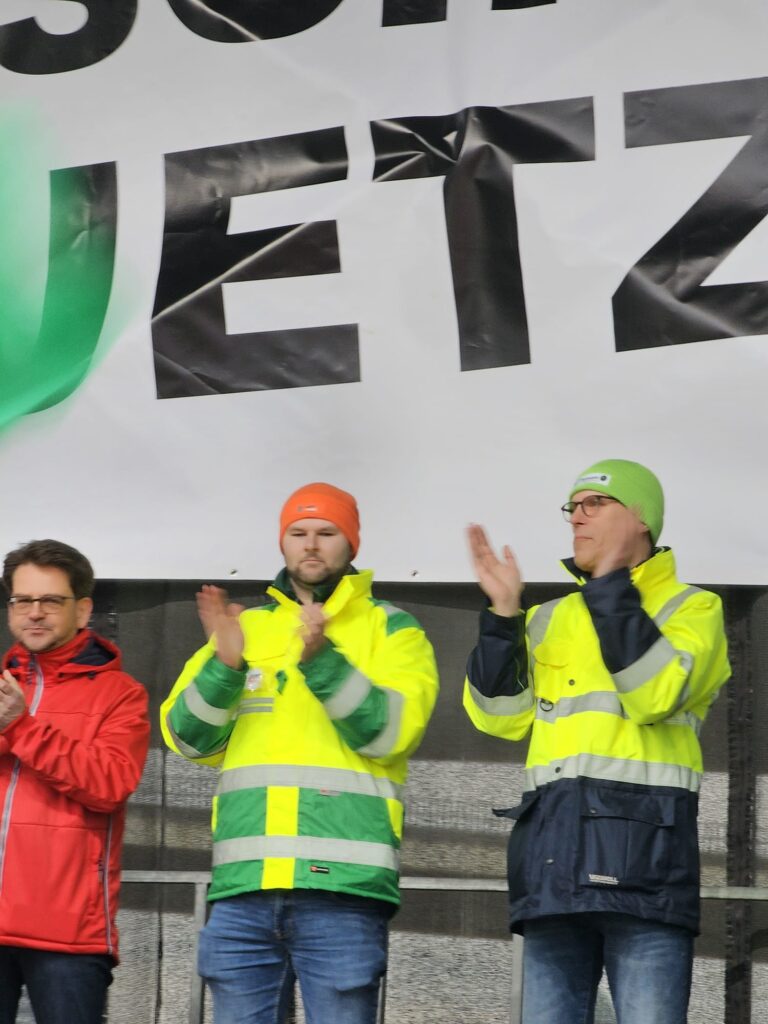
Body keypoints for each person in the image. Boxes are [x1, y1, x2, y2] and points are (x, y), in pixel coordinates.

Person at [463, 459, 730, 1024]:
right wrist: (503, 616)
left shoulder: (694, 608)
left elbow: (657, 694)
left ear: (641, 518)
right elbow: (496, 717)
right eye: (573, 507)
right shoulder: (546, 617)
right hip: (554, 870)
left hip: (647, 873)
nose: (577, 518)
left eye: (594, 504)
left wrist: (611, 590)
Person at [160, 482, 439, 1024]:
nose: (311, 545)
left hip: (343, 891)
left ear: (352, 543)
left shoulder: (393, 628)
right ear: (282, 543)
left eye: (326, 532)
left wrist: (323, 660)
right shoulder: (245, 628)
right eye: (298, 532)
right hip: (244, 887)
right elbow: (187, 738)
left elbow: (391, 735)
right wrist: (225, 668)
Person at [0, 539, 150, 1024]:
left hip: (68, 935)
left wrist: (20, 728)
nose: (34, 612)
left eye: (50, 600)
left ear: (83, 610)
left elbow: (109, 784)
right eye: (23, 600)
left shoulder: (121, 694)